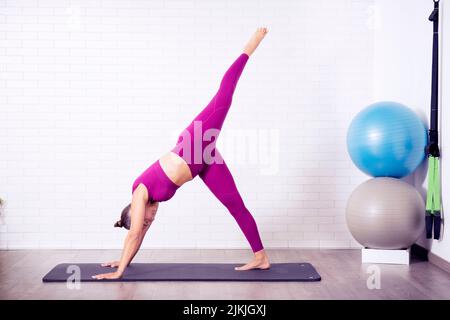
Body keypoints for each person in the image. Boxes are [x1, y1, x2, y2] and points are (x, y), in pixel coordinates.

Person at [93, 28, 270, 280]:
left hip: (193, 145)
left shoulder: (139, 192)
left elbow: (133, 234)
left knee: (224, 98)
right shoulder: (148, 206)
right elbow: (137, 235)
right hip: (202, 162)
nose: (147, 222)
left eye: (143, 219)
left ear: (134, 209)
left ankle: (250, 46)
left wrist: (119, 273)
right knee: (234, 203)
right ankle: (261, 256)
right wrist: (123, 260)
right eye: (145, 222)